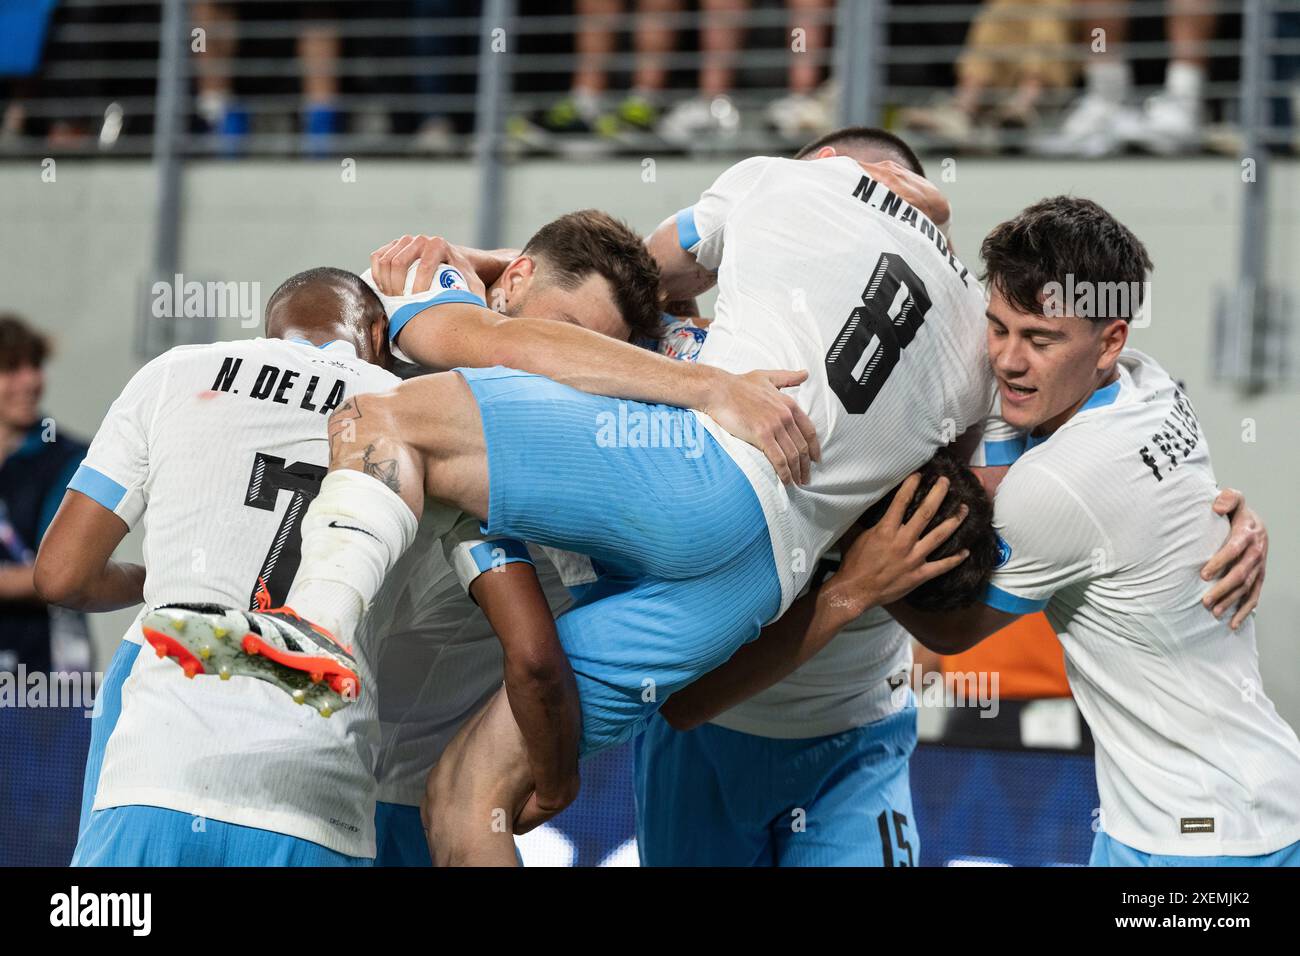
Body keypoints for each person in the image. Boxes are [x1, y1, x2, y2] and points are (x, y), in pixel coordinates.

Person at [143, 124, 1003, 868]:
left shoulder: (770, 182)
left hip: (702, 484)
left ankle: (312, 626)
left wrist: (695, 384)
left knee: (380, 416)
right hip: (753, 593)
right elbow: (681, 692)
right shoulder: (975, 353)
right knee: (469, 799)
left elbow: (627, 271)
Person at [815, 197, 1297, 866]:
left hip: (1207, 840)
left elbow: (950, 631)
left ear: (1110, 341)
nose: (1009, 362)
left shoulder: (1063, 483)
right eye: (998, 328)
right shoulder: (1150, 386)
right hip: (1181, 814)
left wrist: (843, 545)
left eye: (1039, 340)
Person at [0, 314, 89, 676]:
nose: (31, 380)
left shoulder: (69, 457)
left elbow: (63, 572)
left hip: (41, 674)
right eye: (11, 368)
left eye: (35, 365)